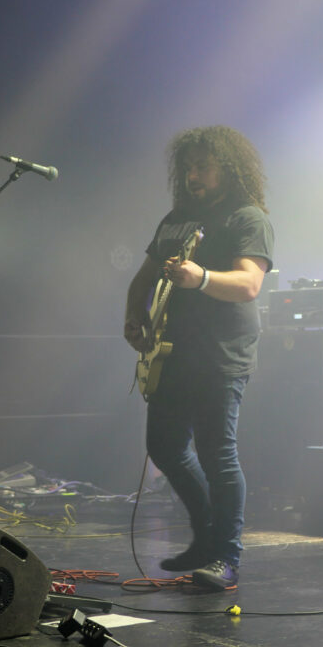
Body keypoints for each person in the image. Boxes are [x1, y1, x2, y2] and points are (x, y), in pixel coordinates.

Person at [124, 126, 274, 590]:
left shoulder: (248, 218)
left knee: (217, 455)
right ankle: (206, 537)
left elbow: (249, 284)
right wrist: (134, 316)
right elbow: (142, 278)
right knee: (165, 447)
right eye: (188, 167)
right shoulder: (176, 219)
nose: (193, 175)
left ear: (228, 168)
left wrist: (202, 277)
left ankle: (226, 556)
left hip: (220, 354)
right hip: (171, 353)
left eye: (203, 167)